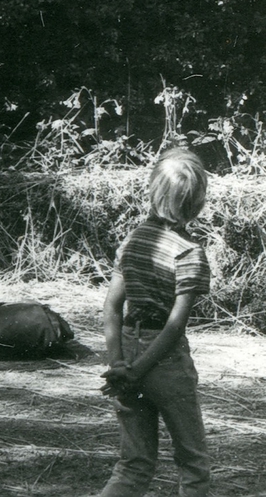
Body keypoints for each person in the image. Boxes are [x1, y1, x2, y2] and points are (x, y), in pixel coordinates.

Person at [98, 148, 211, 497]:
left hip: (128, 351)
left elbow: (112, 307)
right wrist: (140, 368)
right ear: (197, 202)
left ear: (152, 190)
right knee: (193, 462)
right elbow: (174, 326)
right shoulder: (189, 253)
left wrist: (119, 363)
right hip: (166, 361)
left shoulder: (133, 241)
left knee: (134, 463)